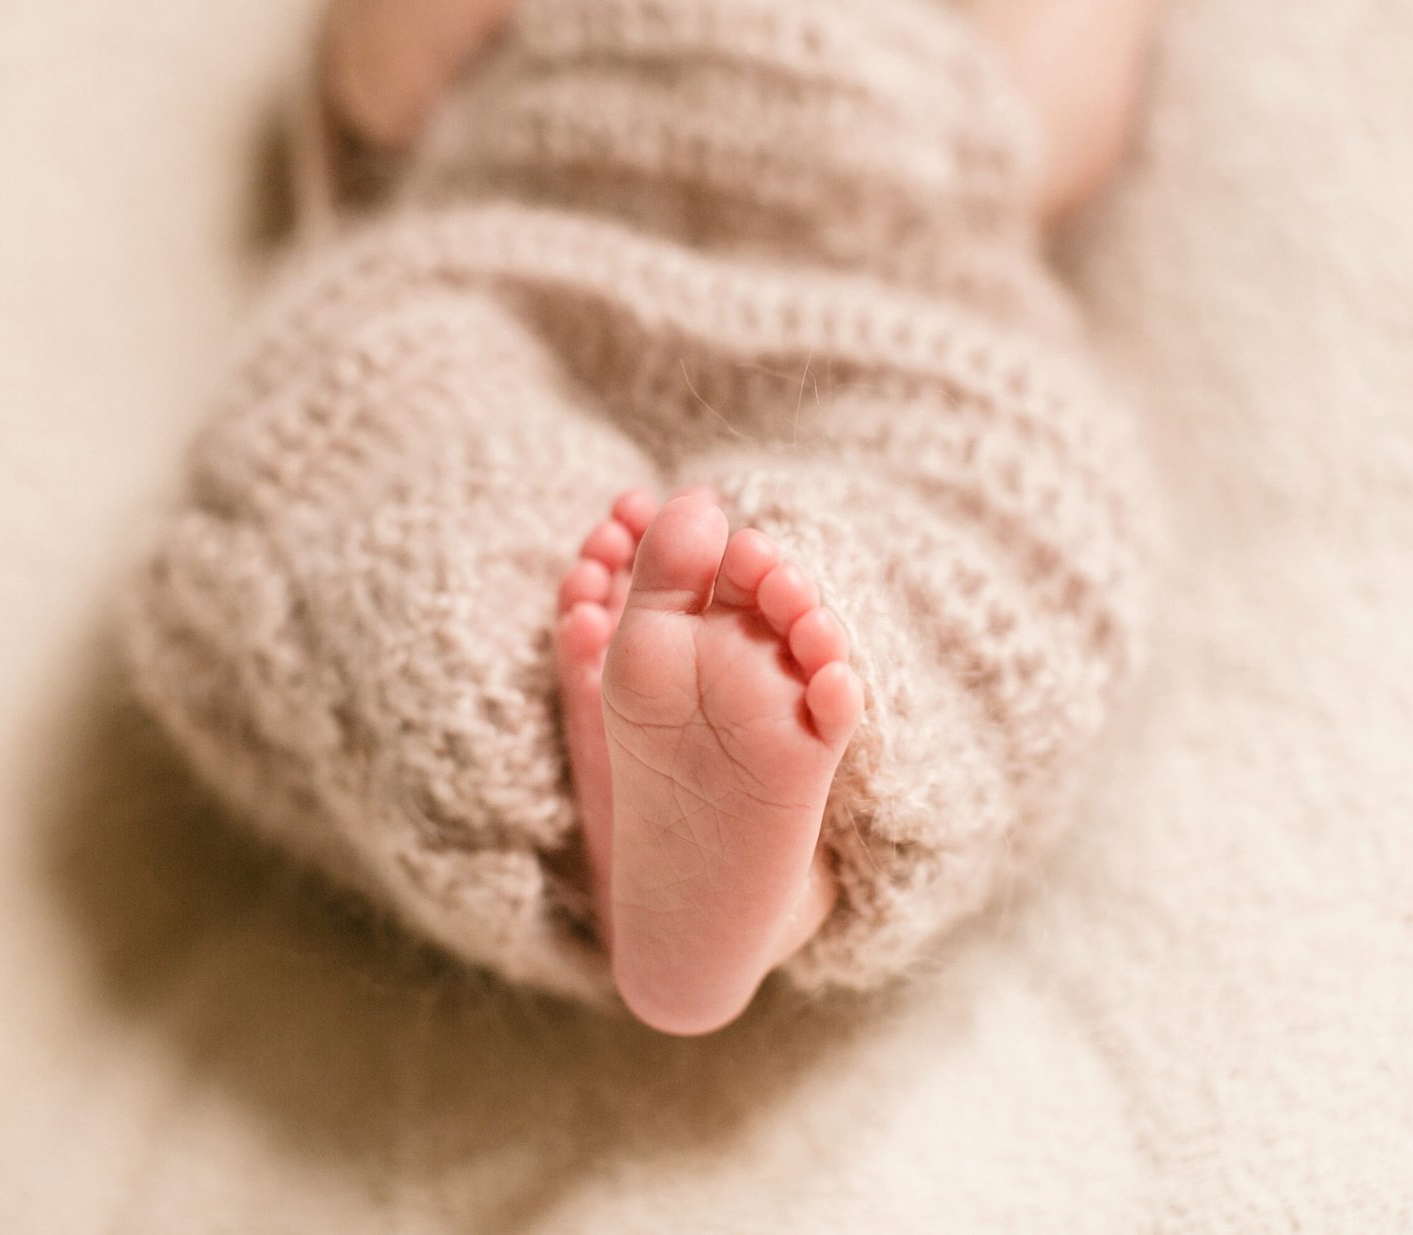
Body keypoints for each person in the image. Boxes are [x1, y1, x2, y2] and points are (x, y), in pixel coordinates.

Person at [125, 0, 1159, 1035]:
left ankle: (797, 798)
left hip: (892, 323)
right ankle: (602, 796)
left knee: (1019, 495)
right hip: (518, 280)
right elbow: (379, 87)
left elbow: (1057, 133)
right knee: (365, 430)